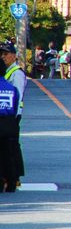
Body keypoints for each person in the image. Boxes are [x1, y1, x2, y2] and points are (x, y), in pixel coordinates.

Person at [0, 42, 26, 190]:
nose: (3, 56)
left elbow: (18, 96)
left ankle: (14, 177)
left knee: (12, 147)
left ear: (14, 55)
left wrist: (15, 115)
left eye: (6, 53)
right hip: (8, 115)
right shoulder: (6, 71)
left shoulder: (16, 73)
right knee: (8, 148)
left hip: (12, 116)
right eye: (1, 54)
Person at [0, 59, 20, 192]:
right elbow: (16, 104)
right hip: (10, 123)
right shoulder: (12, 88)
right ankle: (12, 182)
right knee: (9, 153)